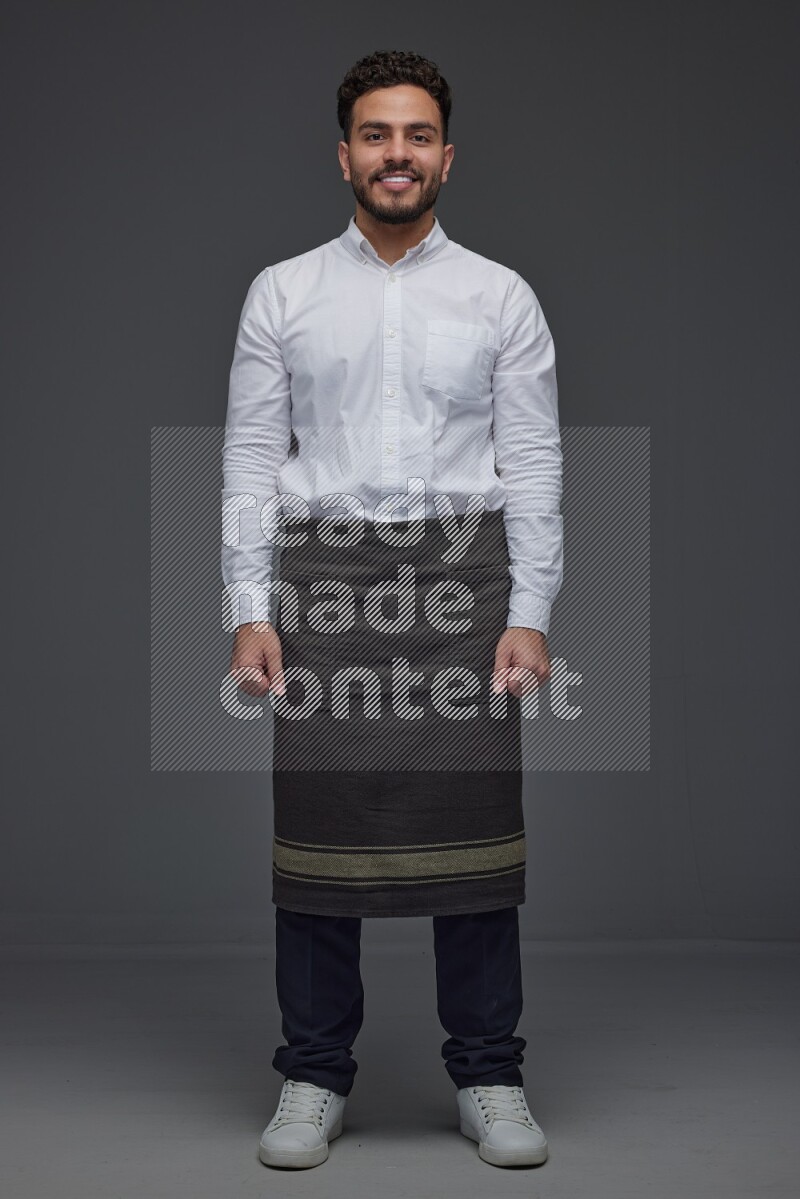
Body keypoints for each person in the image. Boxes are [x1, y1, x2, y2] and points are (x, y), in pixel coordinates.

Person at [221, 49, 563, 1170]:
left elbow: (532, 461)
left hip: (466, 585)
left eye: (416, 136)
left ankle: (490, 1072)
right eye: (376, 134)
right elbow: (249, 461)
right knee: (317, 851)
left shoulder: (498, 295)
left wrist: (532, 606)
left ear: (446, 156)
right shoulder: (283, 291)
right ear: (344, 154)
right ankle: (311, 1072)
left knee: (474, 851)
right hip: (320, 583)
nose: (397, 155)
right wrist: (248, 602)